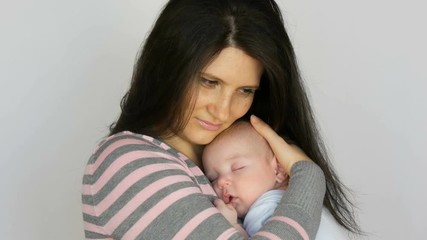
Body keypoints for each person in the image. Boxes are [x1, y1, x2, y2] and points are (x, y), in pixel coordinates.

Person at [81, 0, 360, 239]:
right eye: (209, 81)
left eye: (245, 90)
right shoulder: (128, 163)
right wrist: (308, 177)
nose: (223, 111)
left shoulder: (238, 158)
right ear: (169, 67)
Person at [203, 121, 350, 239]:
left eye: (237, 168)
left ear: (279, 170)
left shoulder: (266, 207)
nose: (221, 182)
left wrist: (231, 226)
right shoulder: (305, 202)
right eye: (213, 179)